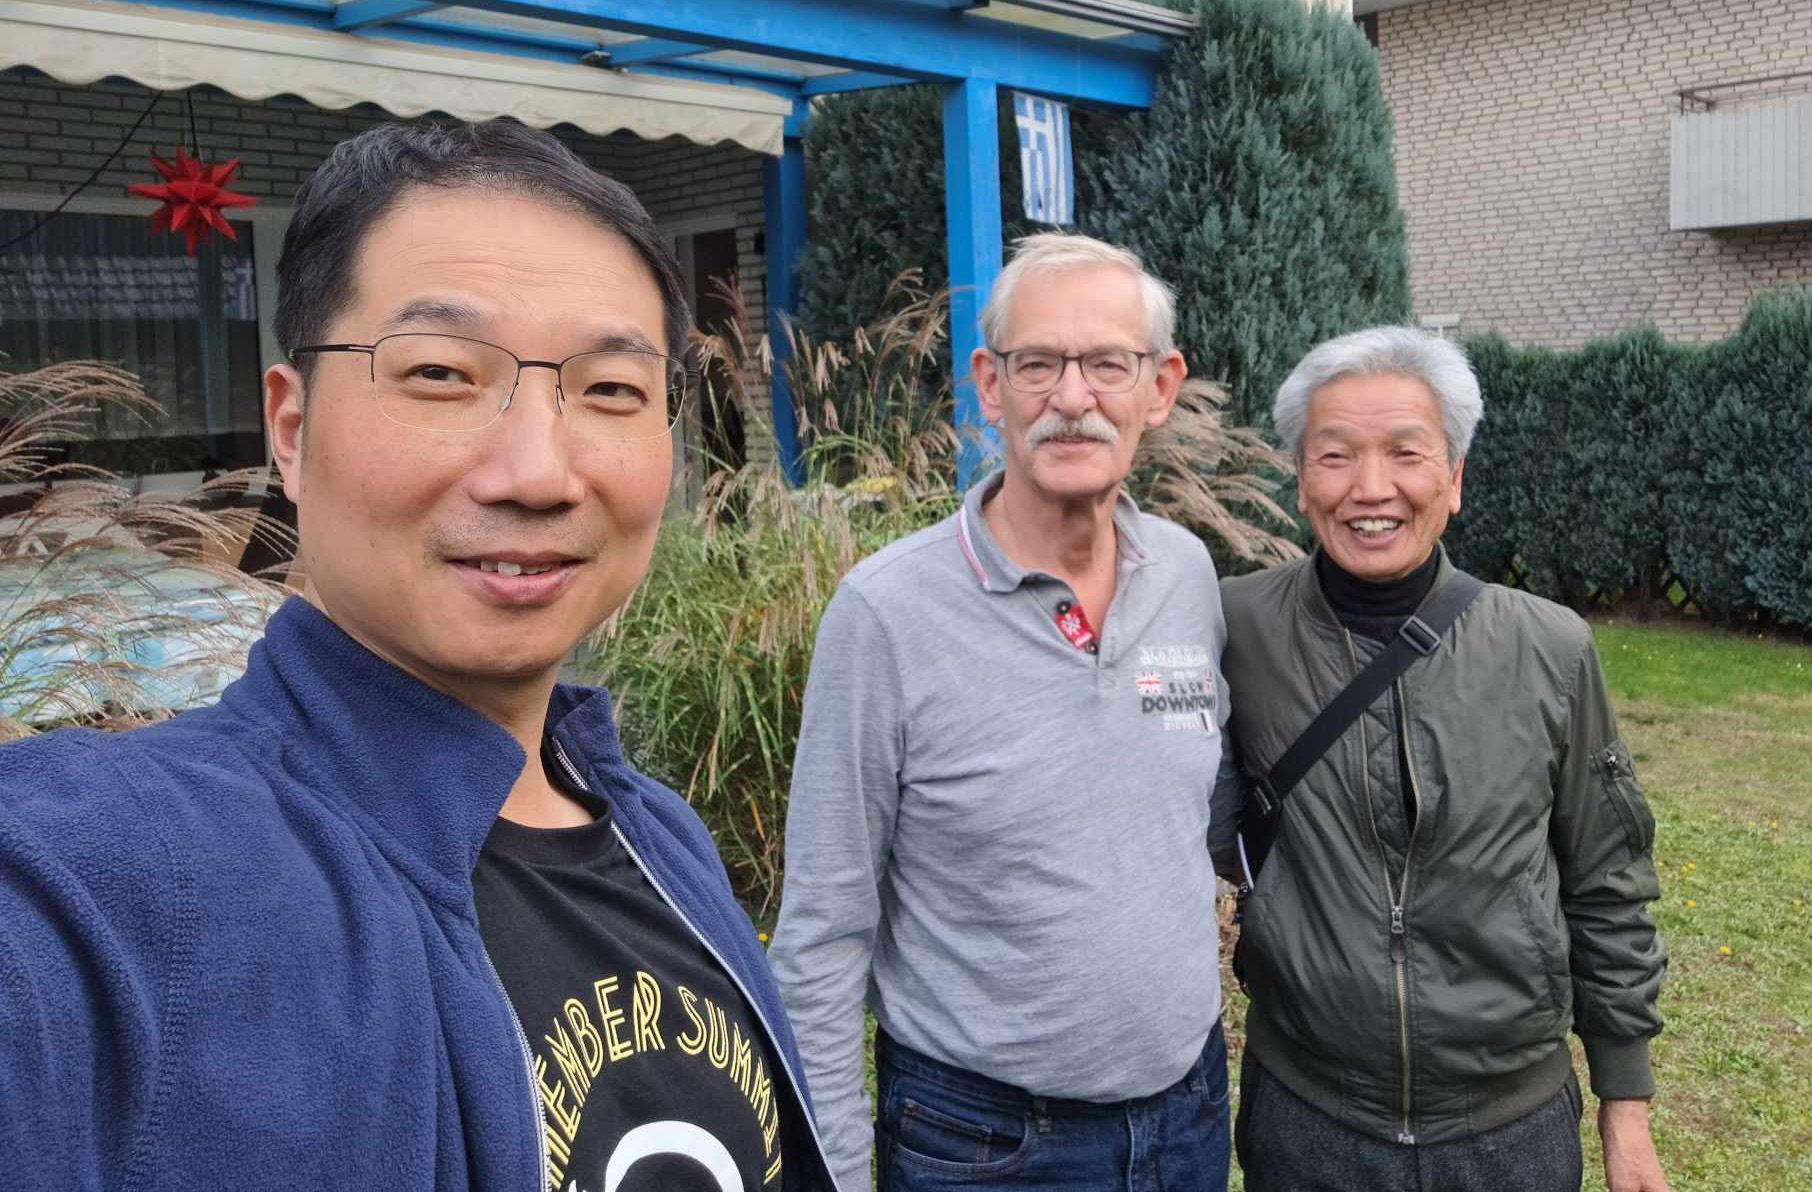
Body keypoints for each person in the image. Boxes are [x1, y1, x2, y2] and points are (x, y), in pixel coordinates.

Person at [0, 119, 834, 1192]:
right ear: (291, 431)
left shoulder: (660, 836)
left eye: (611, 390)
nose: (538, 473)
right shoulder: (113, 881)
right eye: (441, 373)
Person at [769, 233, 1238, 1192]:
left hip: (1189, 1117)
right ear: (990, 385)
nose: (1072, 398)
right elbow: (822, 935)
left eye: (1107, 364)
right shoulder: (886, 614)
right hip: (983, 1145)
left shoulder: (1187, 575)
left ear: (1159, 388)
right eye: (1038, 365)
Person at [1220, 326, 1669, 1192]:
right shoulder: (1235, 627)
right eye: (1335, 455)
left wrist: (1626, 1102)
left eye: (1406, 453)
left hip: (1509, 1127)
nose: (1370, 488)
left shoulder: (1549, 647)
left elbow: (1607, 880)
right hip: (1308, 1116)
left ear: (1454, 478)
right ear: (1301, 480)